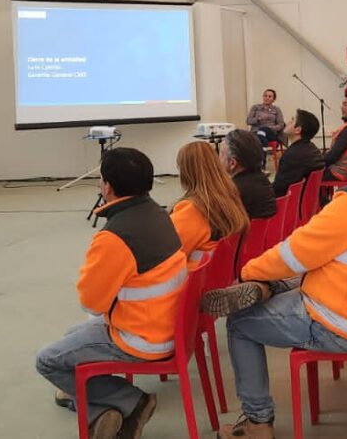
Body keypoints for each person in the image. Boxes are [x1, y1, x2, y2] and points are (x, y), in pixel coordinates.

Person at [200, 128, 347, 439]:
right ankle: (267, 288)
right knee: (296, 276)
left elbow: (293, 253)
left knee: (240, 321)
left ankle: (258, 422)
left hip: (337, 321)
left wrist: (247, 273)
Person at [36, 148, 186, 439]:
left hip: (141, 338)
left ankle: (125, 403)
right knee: (71, 336)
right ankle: (98, 405)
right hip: (170, 326)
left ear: (108, 186)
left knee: (47, 360)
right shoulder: (161, 214)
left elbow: (92, 304)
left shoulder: (114, 237)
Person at [172, 141, 250, 270]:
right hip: (221, 275)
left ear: (185, 172)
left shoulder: (192, 209)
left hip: (194, 282)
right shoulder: (229, 196)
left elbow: (168, 253)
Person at [222, 130, 277, 220]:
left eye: (221, 153)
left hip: (246, 233)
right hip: (268, 233)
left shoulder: (233, 192)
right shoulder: (263, 181)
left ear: (232, 163)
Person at [270, 110, 324, 197]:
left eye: (292, 120)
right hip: (306, 201)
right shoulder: (313, 149)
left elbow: (279, 189)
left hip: (289, 205)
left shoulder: (292, 156)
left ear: (297, 130)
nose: (288, 122)